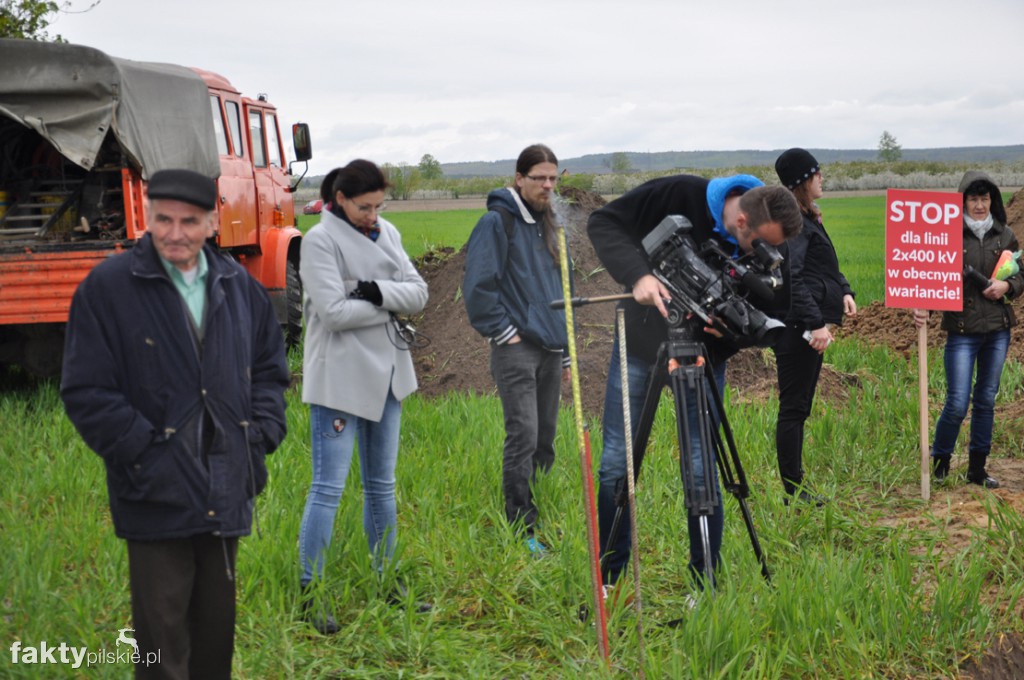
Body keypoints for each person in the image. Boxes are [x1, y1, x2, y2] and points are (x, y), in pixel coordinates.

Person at [60, 169, 290, 679]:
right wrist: (146, 453)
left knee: (214, 643)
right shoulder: (109, 288)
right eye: (163, 219)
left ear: (213, 222)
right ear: (148, 215)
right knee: (160, 650)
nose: (175, 232)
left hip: (228, 482)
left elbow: (271, 373)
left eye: (189, 221)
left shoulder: (238, 286)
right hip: (154, 494)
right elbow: (86, 391)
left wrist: (258, 438)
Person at [587, 174, 803, 592]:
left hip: (704, 358)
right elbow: (603, 222)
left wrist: (733, 335)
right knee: (618, 460)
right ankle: (610, 581)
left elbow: (770, 305)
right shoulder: (678, 194)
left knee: (702, 465)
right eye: (759, 244)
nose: (767, 254)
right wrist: (638, 276)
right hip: (639, 347)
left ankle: (705, 585)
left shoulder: (770, 236)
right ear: (741, 222)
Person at [298, 159, 430, 634]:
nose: (373, 215)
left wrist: (370, 292)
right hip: (340, 379)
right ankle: (310, 591)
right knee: (328, 488)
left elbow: (421, 293)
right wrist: (387, 303)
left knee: (382, 487)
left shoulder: (389, 233)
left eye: (378, 205)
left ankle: (388, 581)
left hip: (389, 375)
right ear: (340, 201)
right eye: (364, 207)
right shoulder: (319, 241)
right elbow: (332, 313)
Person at [463, 144, 570, 555]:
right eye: (539, 178)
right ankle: (520, 520)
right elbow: (478, 286)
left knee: (545, 435)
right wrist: (505, 332)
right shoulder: (496, 223)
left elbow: (561, 289)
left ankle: (541, 504)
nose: (547, 185)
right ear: (519, 178)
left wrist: (564, 351)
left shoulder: (552, 222)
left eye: (553, 178)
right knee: (523, 432)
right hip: (516, 349)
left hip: (550, 347)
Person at [913, 171, 1022, 488]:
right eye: (973, 199)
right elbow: (934, 277)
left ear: (993, 200)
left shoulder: (1005, 235)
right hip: (961, 331)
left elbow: (1021, 273)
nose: (979, 205)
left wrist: (1008, 285)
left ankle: (977, 469)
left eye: (984, 198)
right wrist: (923, 306)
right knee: (958, 402)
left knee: (986, 399)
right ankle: (940, 464)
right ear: (963, 200)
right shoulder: (947, 235)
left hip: (998, 330)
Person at [769, 148, 857, 505]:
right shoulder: (794, 223)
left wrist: (845, 290)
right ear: (801, 181)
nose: (822, 177)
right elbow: (793, 276)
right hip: (797, 329)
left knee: (799, 407)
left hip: (805, 325)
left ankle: (796, 486)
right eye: (817, 173)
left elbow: (824, 266)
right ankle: (794, 490)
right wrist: (817, 323)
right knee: (793, 408)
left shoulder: (808, 218)